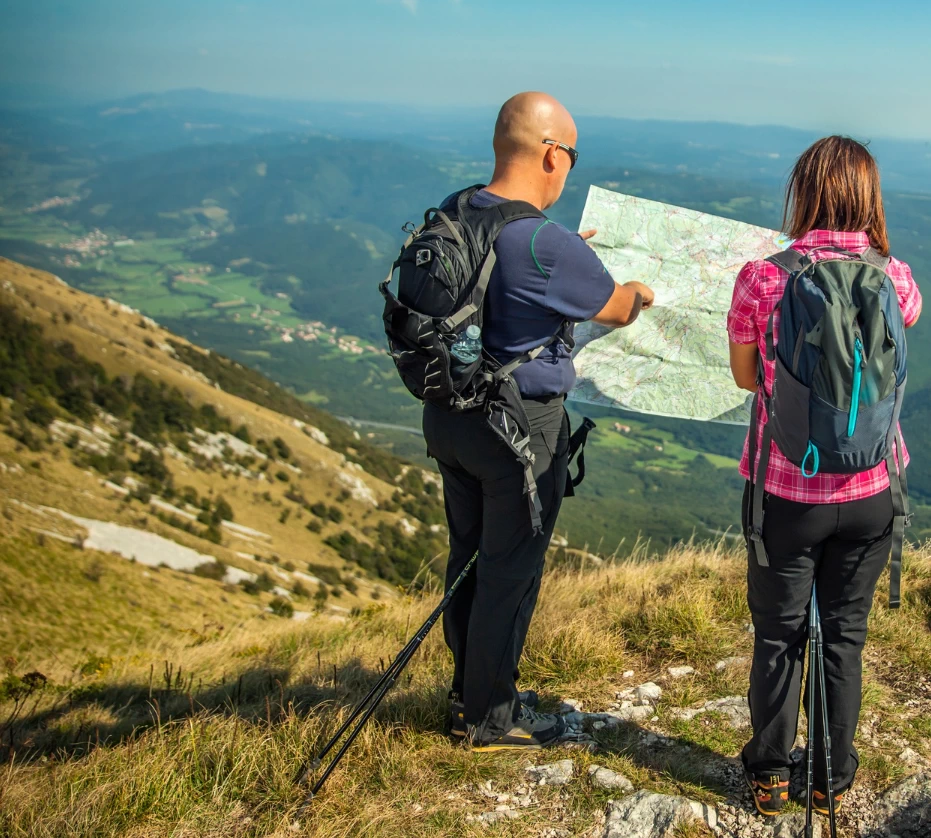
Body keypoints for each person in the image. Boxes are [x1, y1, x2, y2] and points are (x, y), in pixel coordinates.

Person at [422, 91, 654, 751]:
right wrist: (638, 290)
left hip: (448, 416)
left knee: (469, 556)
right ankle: (489, 716)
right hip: (519, 431)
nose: (568, 166)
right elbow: (613, 306)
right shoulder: (545, 242)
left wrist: (557, 259)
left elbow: (501, 286)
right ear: (551, 153)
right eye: (570, 154)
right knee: (511, 569)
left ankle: (464, 693)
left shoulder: (459, 209)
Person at [727, 136, 922, 816]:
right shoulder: (895, 277)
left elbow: (747, 377)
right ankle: (831, 775)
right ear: (867, 196)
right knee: (844, 635)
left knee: (779, 635)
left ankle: (770, 775)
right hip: (873, 489)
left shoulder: (763, 276)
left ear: (803, 192)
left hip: (787, 489)